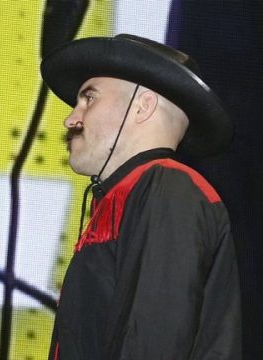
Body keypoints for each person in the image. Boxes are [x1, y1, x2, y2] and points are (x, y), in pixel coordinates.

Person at [40, 34, 241, 359]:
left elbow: (150, 343)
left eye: (88, 99)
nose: (71, 118)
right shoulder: (135, 193)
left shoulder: (168, 190)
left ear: (142, 106)